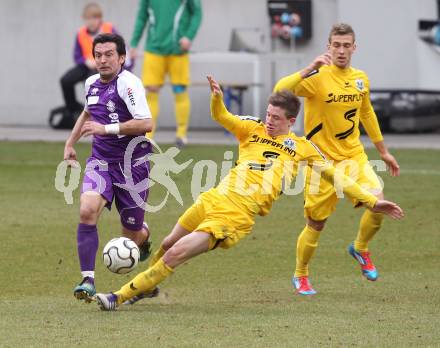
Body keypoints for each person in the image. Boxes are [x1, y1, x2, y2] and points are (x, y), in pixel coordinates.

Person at [94, 76, 404, 311]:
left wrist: (372, 199)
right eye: (268, 114)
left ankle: (118, 296)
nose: (269, 121)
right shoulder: (252, 128)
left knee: (175, 255)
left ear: (291, 122)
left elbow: (337, 176)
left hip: (235, 216)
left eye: (276, 118)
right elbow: (224, 117)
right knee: (165, 244)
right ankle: (146, 288)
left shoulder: (304, 149)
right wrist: (217, 100)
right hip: (213, 198)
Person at [274, 23, 401, 295]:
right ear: (328, 47)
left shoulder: (360, 79)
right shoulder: (317, 77)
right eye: (336, 45)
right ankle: (301, 274)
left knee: (378, 204)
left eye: (346, 45)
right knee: (316, 223)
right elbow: (281, 90)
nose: (341, 50)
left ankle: (360, 248)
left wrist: (383, 151)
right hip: (321, 162)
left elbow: (367, 114)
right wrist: (309, 67)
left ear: (354, 48)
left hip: (354, 156)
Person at [63, 33, 154, 303]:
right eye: (98, 55)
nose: (103, 60)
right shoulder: (91, 83)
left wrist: (107, 129)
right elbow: (88, 112)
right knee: (87, 209)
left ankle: (144, 236)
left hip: (132, 167)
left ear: (122, 58)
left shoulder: (129, 85)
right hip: (100, 161)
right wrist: (70, 142)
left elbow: (146, 123)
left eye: (109, 55)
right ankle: (87, 279)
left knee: (132, 233)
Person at [129, 0, 202, 148]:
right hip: (154, 49)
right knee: (151, 92)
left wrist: (189, 36)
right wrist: (134, 43)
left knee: (180, 91)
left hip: (178, 50)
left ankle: (181, 135)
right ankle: (147, 137)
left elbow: (197, 13)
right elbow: (142, 16)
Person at [60, 3, 117, 122]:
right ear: (84, 19)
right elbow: (77, 56)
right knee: (65, 80)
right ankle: (74, 109)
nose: (91, 21)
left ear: (100, 18)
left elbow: (119, 49)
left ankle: (98, 114)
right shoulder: (80, 33)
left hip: (105, 65)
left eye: (94, 18)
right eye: (88, 18)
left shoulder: (109, 29)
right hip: (87, 65)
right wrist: (86, 61)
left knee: (93, 83)